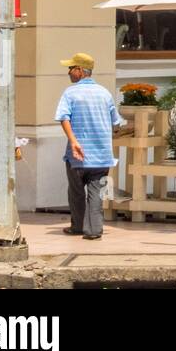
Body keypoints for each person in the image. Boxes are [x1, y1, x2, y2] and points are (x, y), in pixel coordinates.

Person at [55, 52, 128, 240]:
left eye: (71, 68)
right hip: (102, 156)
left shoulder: (70, 93)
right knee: (96, 194)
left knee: (76, 192)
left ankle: (77, 226)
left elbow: (63, 117)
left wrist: (73, 141)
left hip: (77, 155)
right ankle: (94, 230)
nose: (69, 72)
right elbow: (116, 124)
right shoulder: (105, 93)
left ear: (80, 70)